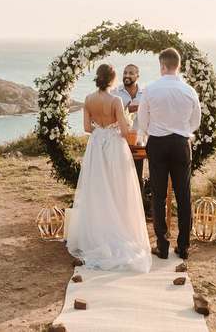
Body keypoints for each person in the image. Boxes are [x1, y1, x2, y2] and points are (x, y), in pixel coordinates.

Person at [65, 63, 152, 272]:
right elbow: (124, 130)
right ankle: (118, 228)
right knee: (117, 187)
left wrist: (101, 129)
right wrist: (122, 123)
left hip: (96, 145)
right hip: (114, 145)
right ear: (112, 80)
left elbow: (87, 128)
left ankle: (97, 232)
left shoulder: (88, 99)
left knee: (98, 188)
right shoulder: (116, 100)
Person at [136, 48, 201, 260]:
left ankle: (162, 246)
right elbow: (196, 122)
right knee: (184, 196)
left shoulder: (150, 89)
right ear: (178, 66)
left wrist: (151, 131)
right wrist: (182, 131)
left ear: (162, 66)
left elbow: (143, 122)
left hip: (157, 143)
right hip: (181, 143)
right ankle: (183, 247)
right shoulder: (189, 91)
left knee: (158, 194)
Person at [112, 63, 145, 186]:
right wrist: (125, 110)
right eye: (125, 73)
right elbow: (110, 114)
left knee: (137, 178)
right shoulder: (115, 92)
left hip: (139, 142)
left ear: (138, 76)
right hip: (120, 140)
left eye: (131, 73)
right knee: (120, 179)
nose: (127, 75)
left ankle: (138, 204)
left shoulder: (145, 93)